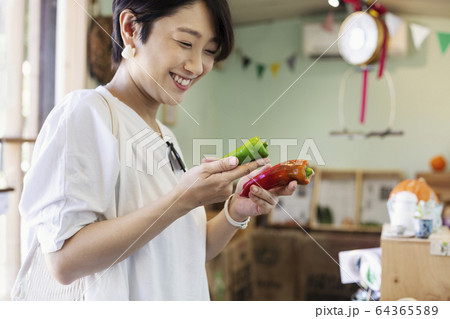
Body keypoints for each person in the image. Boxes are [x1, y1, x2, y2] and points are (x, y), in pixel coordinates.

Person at [12, 0, 297, 301]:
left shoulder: (165, 136)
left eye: (210, 51)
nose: (198, 66)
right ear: (131, 29)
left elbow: (183, 253)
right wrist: (181, 199)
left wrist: (235, 211)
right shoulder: (87, 113)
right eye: (185, 42)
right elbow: (64, 262)